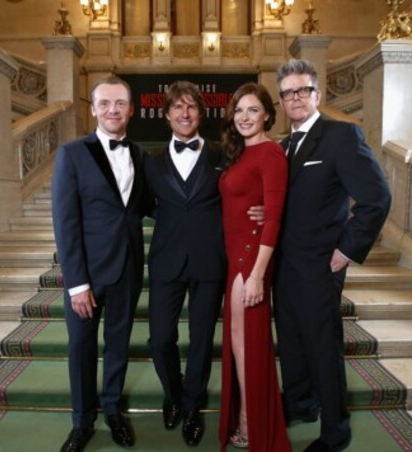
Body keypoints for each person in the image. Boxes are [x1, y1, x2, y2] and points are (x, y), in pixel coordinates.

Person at [273, 59, 392, 452]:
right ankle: (301, 403)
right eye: (289, 93)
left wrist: (346, 249)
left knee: (323, 346)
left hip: (321, 264)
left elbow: (376, 199)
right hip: (284, 265)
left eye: (303, 90)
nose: (296, 98)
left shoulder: (341, 136)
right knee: (290, 341)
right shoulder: (283, 145)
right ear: (282, 100)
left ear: (317, 94)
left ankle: (335, 431)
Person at [51, 75, 147, 452]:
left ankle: (112, 410)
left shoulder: (140, 155)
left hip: (126, 268)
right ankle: (82, 422)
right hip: (86, 276)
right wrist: (76, 283)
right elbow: (65, 221)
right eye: (104, 103)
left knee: (119, 345)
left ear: (131, 109)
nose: (112, 110)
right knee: (82, 348)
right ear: (92, 109)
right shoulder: (72, 154)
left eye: (119, 103)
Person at [144, 81, 225, 446]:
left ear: (201, 114)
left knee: (201, 340)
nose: (185, 113)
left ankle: (192, 407)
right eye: (177, 107)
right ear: (166, 116)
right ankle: (173, 394)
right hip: (166, 260)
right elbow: (144, 204)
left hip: (210, 261)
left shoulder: (223, 154)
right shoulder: (153, 160)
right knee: (160, 338)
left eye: (191, 106)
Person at [217, 82, 290, 451]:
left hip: (250, 261)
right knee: (239, 344)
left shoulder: (271, 153)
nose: (244, 117)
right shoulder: (238, 153)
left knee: (247, 346)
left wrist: (258, 274)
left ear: (267, 115)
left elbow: (273, 218)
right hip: (236, 259)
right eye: (239, 111)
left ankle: (251, 422)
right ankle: (247, 416)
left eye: (253, 110)